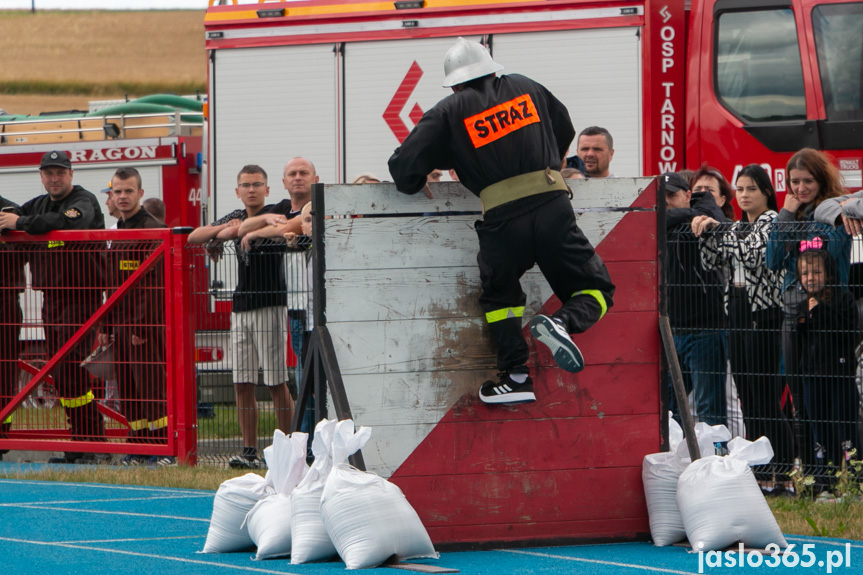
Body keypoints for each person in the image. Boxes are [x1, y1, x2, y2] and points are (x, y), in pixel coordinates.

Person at [388, 37, 615, 405]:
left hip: (501, 219)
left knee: (501, 298)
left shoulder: (448, 110)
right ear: (493, 68)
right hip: (552, 206)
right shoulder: (527, 87)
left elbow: (402, 167)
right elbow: (565, 127)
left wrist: (418, 179)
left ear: (455, 83)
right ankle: (563, 323)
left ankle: (515, 376)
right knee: (597, 288)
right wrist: (545, 160)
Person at [0, 151, 108, 464]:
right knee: (62, 373)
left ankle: (91, 441)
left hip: (81, 297)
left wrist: (19, 222)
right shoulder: (37, 204)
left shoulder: (83, 200)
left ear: (71, 174)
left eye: (60, 173)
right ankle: (82, 442)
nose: (54, 178)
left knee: (69, 367)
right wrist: (13, 218)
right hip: (53, 297)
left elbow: (63, 221)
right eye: (49, 173)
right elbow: (12, 212)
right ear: (41, 175)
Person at [188, 165, 295, 469]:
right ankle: (249, 450)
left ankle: (285, 450)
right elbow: (196, 236)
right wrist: (227, 232)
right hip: (240, 307)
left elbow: (281, 224)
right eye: (245, 185)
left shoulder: (279, 209)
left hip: (270, 304)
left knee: (275, 381)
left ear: (268, 188)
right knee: (241, 381)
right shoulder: (235, 213)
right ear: (237, 191)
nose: (251, 189)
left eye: (257, 184)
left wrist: (244, 227)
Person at [690, 164, 794, 476]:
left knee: (765, 396)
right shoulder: (735, 227)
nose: (744, 194)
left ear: (766, 193)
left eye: (751, 188)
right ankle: (760, 467)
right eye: (741, 188)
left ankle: (784, 467)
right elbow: (711, 259)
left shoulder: (771, 222)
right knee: (746, 397)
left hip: (766, 316)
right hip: (735, 312)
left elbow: (752, 253)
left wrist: (715, 228)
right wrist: (708, 232)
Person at [766, 148, 851, 454]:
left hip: (829, 314)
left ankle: (839, 465)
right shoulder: (790, 215)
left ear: (822, 180)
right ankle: (810, 466)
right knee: (798, 394)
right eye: (794, 182)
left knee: (834, 397)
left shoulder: (837, 211)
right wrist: (786, 216)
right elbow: (772, 260)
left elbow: (833, 250)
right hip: (794, 314)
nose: (800, 188)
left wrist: (827, 213)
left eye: (808, 181)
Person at [103, 167, 174, 467]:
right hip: (120, 327)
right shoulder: (119, 231)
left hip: (144, 327)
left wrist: (141, 327)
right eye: (117, 191)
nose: (122, 196)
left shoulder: (152, 229)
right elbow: (111, 284)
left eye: (128, 191)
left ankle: (163, 449)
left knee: (152, 388)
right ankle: (138, 447)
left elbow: (155, 285)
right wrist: (107, 326)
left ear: (140, 194)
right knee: (130, 392)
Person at [664, 171, 729, 426]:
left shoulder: (706, 204)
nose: (666, 202)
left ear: (688, 194)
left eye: (672, 195)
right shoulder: (693, 212)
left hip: (706, 328)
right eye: (662, 196)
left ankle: (717, 462)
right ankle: (676, 463)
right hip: (672, 329)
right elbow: (659, 216)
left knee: (709, 410)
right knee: (669, 412)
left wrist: (696, 216)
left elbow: (716, 217)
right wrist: (692, 215)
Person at [794, 245, 860, 491]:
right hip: (812, 378)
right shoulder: (803, 305)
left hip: (840, 376)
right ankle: (825, 485)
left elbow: (848, 333)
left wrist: (820, 311)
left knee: (847, 431)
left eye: (816, 272)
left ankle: (856, 482)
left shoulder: (843, 298)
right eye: (805, 273)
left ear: (828, 273)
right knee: (820, 433)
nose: (811, 278)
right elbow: (801, 344)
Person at [0, 195, 24, 461]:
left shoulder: (9, 210)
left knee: (4, 369)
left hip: (4, 299)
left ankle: (2, 433)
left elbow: (22, 253)